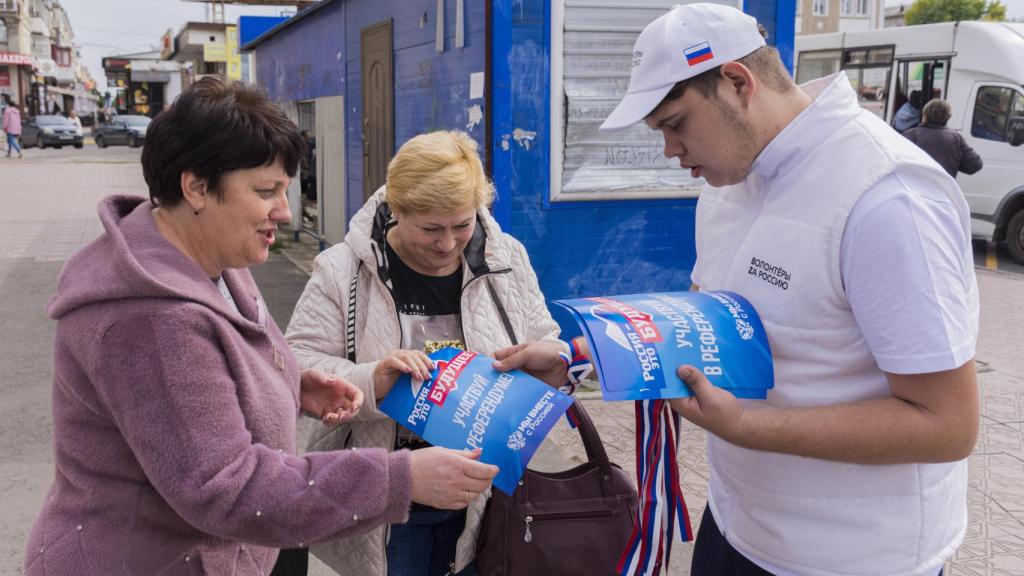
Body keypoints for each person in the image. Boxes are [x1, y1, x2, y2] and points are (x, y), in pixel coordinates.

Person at [494, 4, 978, 576]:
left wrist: (748, 427)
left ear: (737, 83)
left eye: (676, 123)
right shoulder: (729, 183)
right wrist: (580, 358)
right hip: (735, 526)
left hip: (850, 557)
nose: (670, 151)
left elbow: (946, 425)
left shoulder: (887, 198)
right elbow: (699, 332)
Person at [24, 78, 497, 576]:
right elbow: (225, 487)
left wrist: (290, 383)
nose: (285, 212)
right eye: (265, 191)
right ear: (196, 188)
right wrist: (399, 480)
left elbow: (209, 381)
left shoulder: (214, 260)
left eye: (285, 190)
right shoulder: (153, 320)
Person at [286, 129, 562, 576]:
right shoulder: (343, 270)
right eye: (431, 228)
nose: (448, 244)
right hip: (394, 498)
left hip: (486, 496)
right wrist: (373, 379)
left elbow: (545, 340)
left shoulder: (506, 258)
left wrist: (553, 360)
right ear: (397, 209)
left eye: (462, 225)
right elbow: (296, 363)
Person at [903, 99, 983, 178]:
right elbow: (975, 164)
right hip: (943, 185)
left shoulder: (909, 135)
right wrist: (955, 162)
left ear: (925, 115)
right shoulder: (956, 139)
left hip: (913, 185)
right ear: (948, 117)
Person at [3, 95, 23, 159]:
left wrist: (5, 127)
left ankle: (19, 152)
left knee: (12, 141)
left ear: (9, 105)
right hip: (16, 128)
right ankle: (9, 153)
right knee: (9, 140)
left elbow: (6, 120)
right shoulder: (17, 111)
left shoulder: (7, 111)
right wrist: (19, 128)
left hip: (10, 128)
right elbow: (19, 120)